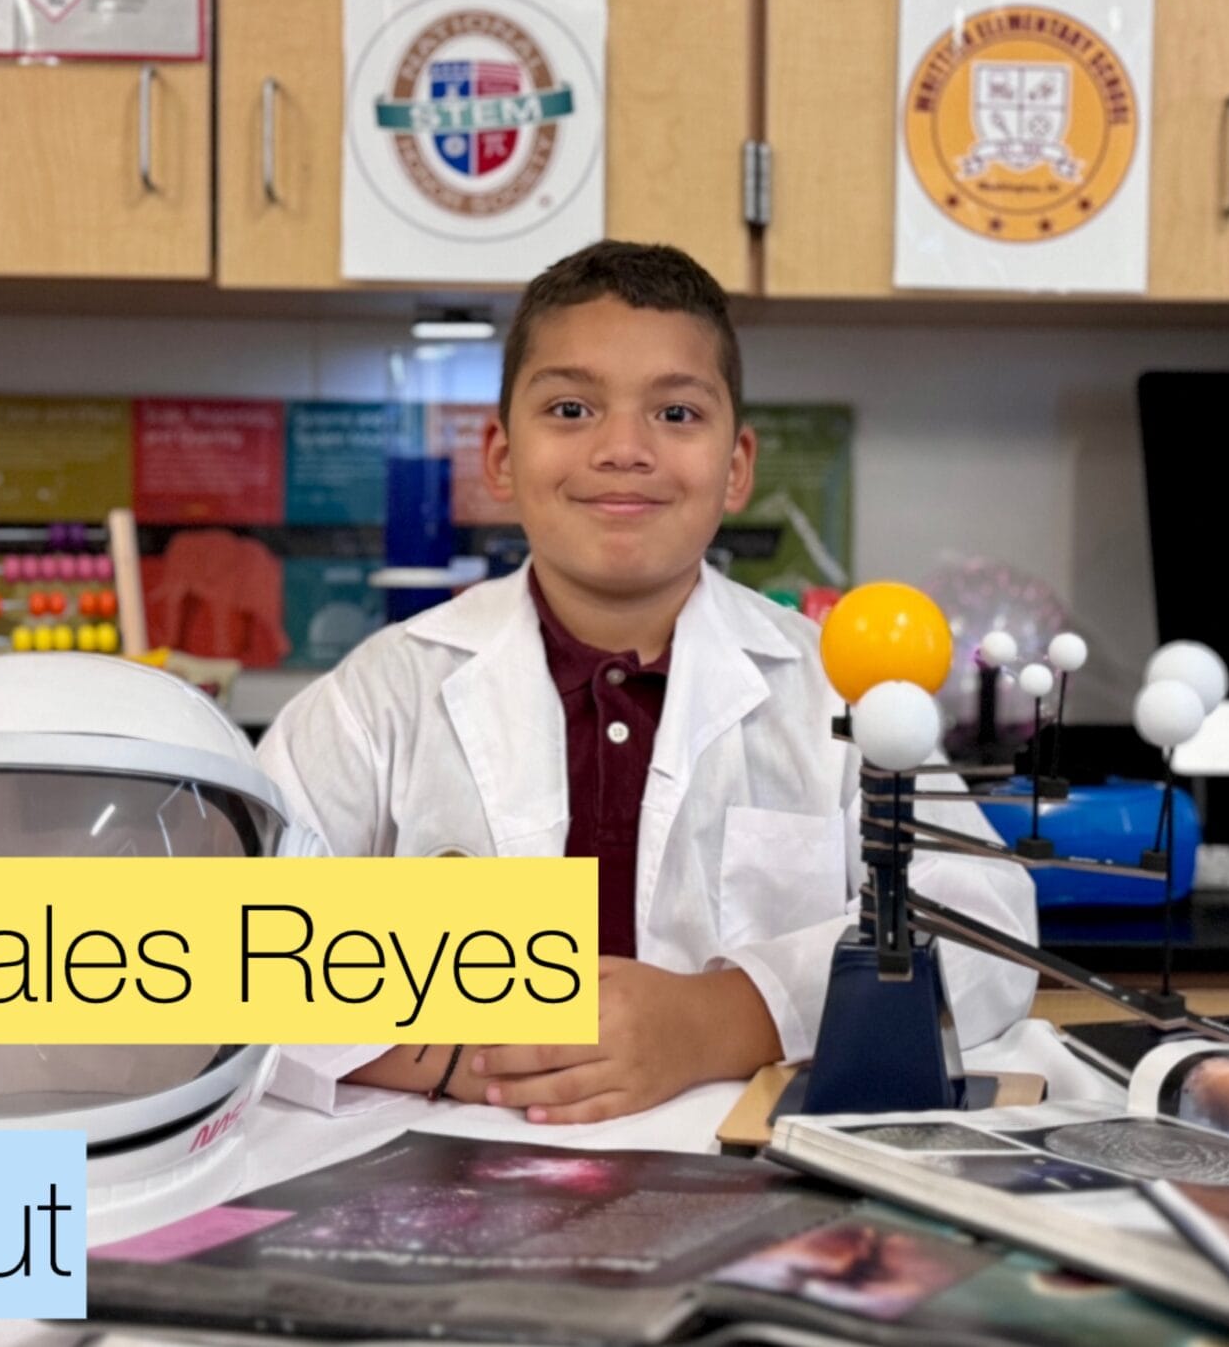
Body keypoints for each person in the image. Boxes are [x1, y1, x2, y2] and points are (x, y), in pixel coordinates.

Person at [258, 241, 1037, 1123]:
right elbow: (194, 945)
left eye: (674, 412)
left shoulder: (834, 685)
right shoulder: (384, 695)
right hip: (451, 1195)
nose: (623, 448)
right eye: (570, 406)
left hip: (744, 1200)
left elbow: (990, 925)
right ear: (502, 455)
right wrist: (462, 1057)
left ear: (737, 465)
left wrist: (720, 1019)